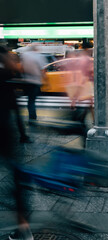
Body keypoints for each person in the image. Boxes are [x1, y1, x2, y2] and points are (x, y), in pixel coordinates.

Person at [0, 46, 33, 240]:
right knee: (17, 180)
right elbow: (15, 108)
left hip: (3, 134)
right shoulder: (6, 75)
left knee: (15, 181)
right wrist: (23, 134)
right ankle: (24, 225)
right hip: (8, 134)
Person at [20, 45, 47, 122]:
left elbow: (21, 69)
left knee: (30, 100)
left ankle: (31, 116)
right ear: (36, 49)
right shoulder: (39, 56)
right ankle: (33, 117)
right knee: (32, 100)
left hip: (26, 81)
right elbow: (43, 70)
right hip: (36, 81)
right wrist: (46, 80)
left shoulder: (24, 55)